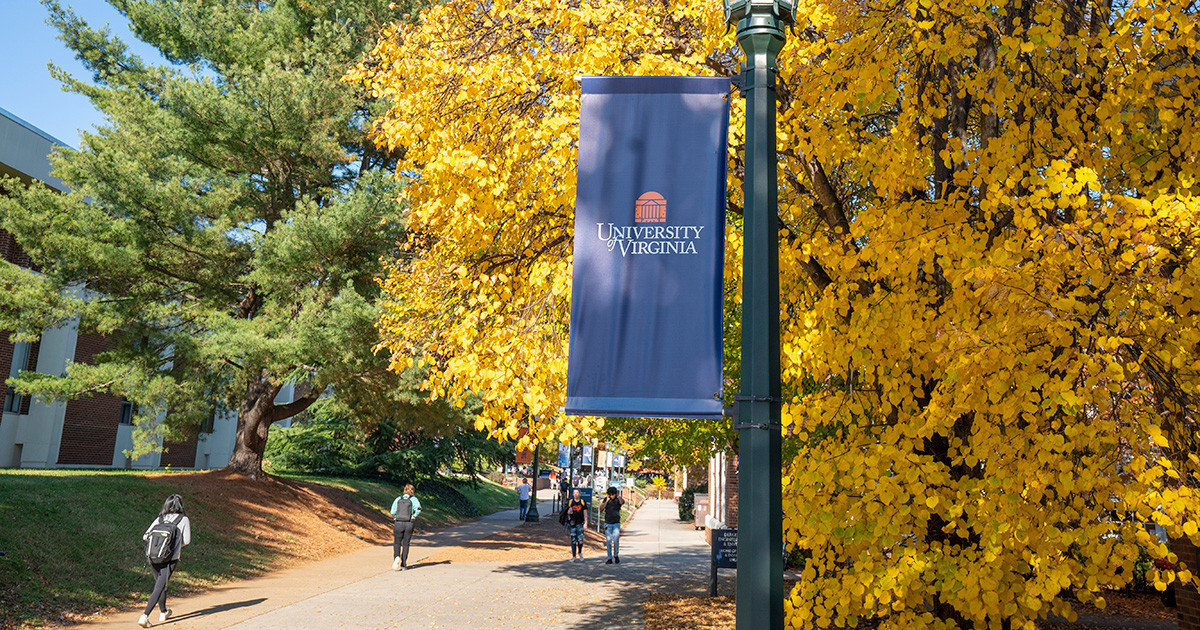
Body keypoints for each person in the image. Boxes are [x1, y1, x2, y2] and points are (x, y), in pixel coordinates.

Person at [139, 494, 191, 628]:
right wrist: (173, 545)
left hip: (153, 557)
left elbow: (145, 536)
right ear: (180, 505)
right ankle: (145, 616)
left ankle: (163, 612)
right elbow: (187, 540)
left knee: (160, 584)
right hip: (170, 559)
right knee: (159, 586)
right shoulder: (183, 519)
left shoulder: (159, 519)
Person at [390, 484, 422, 571]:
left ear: (405, 490)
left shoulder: (398, 499)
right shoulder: (414, 500)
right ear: (413, 491)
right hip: (409, 523)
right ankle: (403, 564)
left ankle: (396, 558)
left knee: (397, 543)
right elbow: (419, 508)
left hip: (398, 523)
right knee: (406, 544)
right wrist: (414, 515)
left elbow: (392, 511)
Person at [560, 488, 589, 561]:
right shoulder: (570, 502)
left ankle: (579, 552)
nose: (575, 494)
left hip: (580, 523)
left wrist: (586, 523)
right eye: (574, 493)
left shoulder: (582, 502)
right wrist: (568, 512)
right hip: (572, 524)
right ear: (572, 494)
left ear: (579, 494)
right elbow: (565, 511)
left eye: (577, 493)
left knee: (580, 540)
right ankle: (573, 556)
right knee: (573, 540)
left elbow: (585, 513)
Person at [599, 486, 625, 564]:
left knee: (616, 540)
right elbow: (601, 509)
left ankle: (616, 555)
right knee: (608, 541)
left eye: (612, 494)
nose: (611, 496)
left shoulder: (618, 500)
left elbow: (622, 502)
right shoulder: (606, 500)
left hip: (616, 523)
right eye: (610, 494)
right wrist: (606, 501)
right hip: (608, 523)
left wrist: (618, 496)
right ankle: (609, 557)